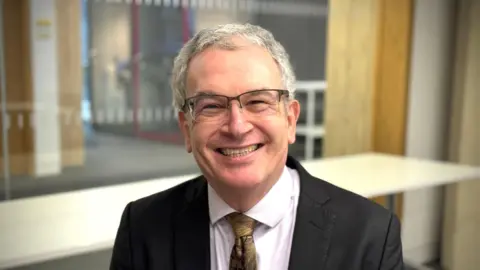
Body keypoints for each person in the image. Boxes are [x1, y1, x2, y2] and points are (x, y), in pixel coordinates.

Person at [110, 23, 403, 270]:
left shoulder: (370, 234)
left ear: (290, 120)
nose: (237, 126)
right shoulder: (143, 228)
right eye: (211, 106)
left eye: (259, 101)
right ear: (186, 129)